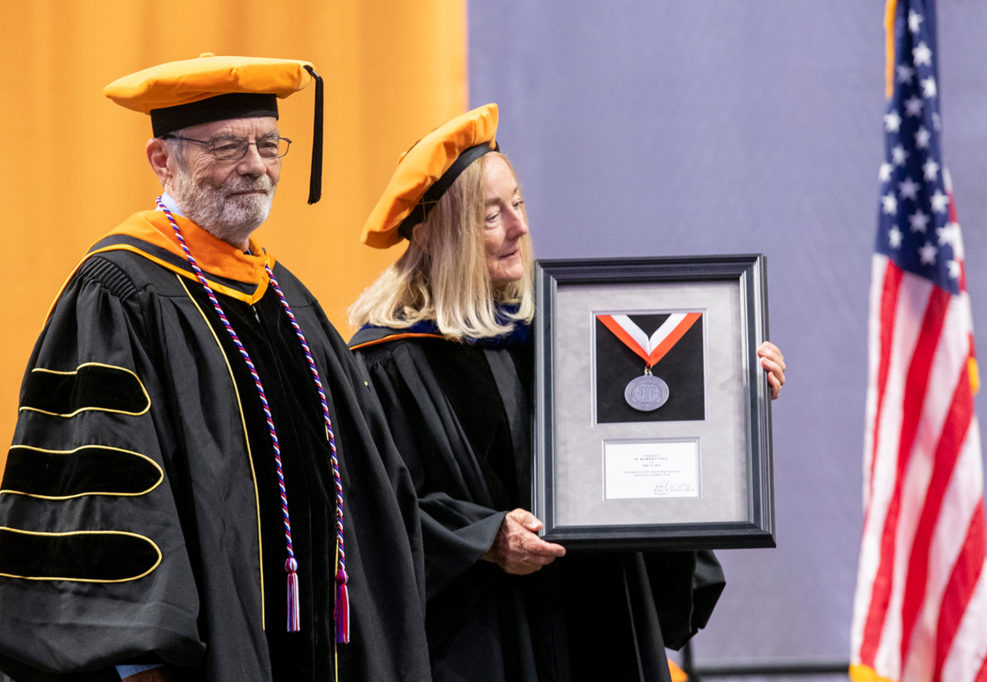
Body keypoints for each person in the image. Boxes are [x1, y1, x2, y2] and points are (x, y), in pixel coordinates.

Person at [0, 54, 431, 681]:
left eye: (267, 144)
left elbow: (369, 481)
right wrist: (139, 658)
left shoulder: (286, 297)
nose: (254, 165)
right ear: (161, 159)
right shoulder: (120, 291)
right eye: (226, 146)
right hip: (202, 656)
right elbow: (103, 493)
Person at [348, 104, 787, 681]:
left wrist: (735, 390)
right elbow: (373, 513)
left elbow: (651, 433)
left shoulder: (568, 333)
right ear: (440, 236)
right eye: (490, 216)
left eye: (519, 204)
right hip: (481, 641)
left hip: (597, 621)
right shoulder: (390, 361)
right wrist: (484, 537)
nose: (519, 227)